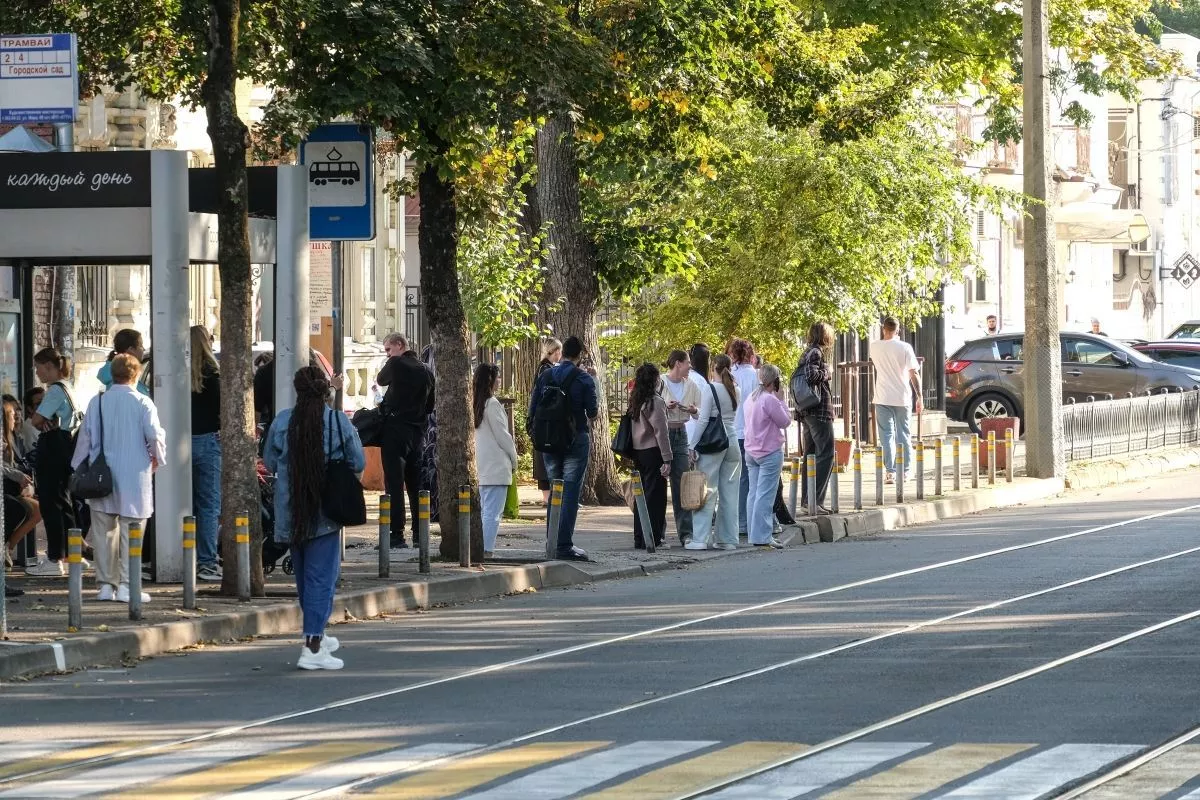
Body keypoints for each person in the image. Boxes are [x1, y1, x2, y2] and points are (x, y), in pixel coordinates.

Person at [263, 366, 364, 670]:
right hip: (324, 509)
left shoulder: (283, 421)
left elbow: (268, 461)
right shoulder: (336, 421)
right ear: (325, 391)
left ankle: (315, 632)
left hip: (290, 509)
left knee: (306, 578)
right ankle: (313, 646)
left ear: (296, 390)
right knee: (322, 578)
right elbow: (358, 460)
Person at [71, 354, 163, 604]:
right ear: (135, 374)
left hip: (101, 476)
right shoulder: (143, 402)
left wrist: (77, 467)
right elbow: (154, 436)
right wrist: (156, 459)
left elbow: (85, 439)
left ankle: (105, 585)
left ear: (113, 374)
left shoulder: (97, 402)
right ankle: (127, 584)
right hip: (134, 476)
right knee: (132, 532)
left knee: (103, 533)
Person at [528, 335, 597, 561]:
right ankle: (563, 545)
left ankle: (551, 541)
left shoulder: (546, 374)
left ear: (563, 352)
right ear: (580, 355)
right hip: (575, 438)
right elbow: (593, 412)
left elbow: (534, 406)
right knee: (569, 492)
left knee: (555, 490)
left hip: (549, 440)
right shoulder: (584, 378)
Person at [25, 348, 82, 576]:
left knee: (50, 503)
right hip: (66, 446)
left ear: (49, 366)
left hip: (53, 448)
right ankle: (71, 552)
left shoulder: (55, 391)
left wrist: (41, 421)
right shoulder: (69, 387)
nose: (38, 374)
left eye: (39, 368)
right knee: (64, 502)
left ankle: (53, 558)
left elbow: (37, 419)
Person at [376, 333, 434, 548]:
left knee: (394, 482)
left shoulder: (396, 363)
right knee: (415, 483)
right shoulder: (426, 371)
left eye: (388, 349)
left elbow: (381, 380)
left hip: (394, 430)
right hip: (417, 432)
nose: (387, 354)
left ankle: (396, 534)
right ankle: (419, 534)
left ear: (400, 345)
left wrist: (391, 361)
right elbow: (430, 406)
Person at [686, 354, 740, 551]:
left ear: (713, 368)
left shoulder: (710, 388)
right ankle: (727, 538)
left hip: (713, 444)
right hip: (732, 441)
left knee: (706, 489)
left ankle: (700, 538)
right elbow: (723, 417)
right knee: (730, 493)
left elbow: (704, 421)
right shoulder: (736, 389)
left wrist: (692, 445)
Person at [742, 363, 790, 548]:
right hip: (769, 452)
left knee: (753, 493)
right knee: (765, 495)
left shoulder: (750, 398)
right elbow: (784, 421)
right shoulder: (769, 400)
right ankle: (762, 536)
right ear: (775, 381)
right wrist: (782, 401)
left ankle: (754, 533)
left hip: (751, 451)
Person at [869, 316, 921, 485]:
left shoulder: (874, 347)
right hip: (902, 396)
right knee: (903, 434)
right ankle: (905, 471)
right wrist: (919, 396)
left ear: (883, 329)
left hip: (882, 396)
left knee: (886, 435)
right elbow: (914, 373)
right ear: (898, 330)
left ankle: (890, 472)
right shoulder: (905, 347)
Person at [656, 350, 700, 545]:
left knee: (682, 482)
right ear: (677, 363)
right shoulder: (661, 381)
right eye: (687, 363)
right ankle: (659, 532)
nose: (690, 366)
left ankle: (686, 534)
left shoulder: (690, 384)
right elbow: (651, 405)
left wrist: (692, 410)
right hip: (662, 433)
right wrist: (665, 406)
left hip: (680, 432)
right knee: (659, 483)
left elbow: (699, 410)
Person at [190, 325, 223, 582]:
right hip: (209, 440)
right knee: (209, 505)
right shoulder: (214, 373)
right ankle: (207, 562)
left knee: (181, 504)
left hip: (180, 442)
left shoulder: (177, 373)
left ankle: (176, 555)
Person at [473, 364, 517, 557]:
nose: (499, 381)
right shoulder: (491, 404)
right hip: (496, 466)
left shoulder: (475, 403)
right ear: (490, 381)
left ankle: (481, 547)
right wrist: (514, 459)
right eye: (497, 378)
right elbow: (503, 436)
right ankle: (487, 549)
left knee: (485, 511)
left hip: (482, 466)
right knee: (493, 513)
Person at [628, 363, 673, 549]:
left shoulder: (637, 400)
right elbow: (661, 432)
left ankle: (640, 535)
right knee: (656, 497)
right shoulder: (656, 401)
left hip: (638, 451)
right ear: (655, 380)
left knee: (642, 496)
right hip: (653, 451)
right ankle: (654, 536)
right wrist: (667, 457)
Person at [798, 323, 836, 512]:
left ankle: (808, 501)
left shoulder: (806, 352)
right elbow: (811, 376)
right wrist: (827, 372)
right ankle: (816, 500)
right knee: (826, 453)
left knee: (811, 455)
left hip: (807, 410)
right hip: (818, 410)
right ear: (825, 336)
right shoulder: (815, 352)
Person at [3, 396, 40, 576]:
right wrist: (19, 477)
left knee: (41, 509)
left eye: (18, 410)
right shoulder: (4, 439)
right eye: (12, 413)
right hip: (7, 490)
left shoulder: (16, 437)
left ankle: (8, 546)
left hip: (14, 488)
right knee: (17, 508)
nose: (16, 416)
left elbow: (22, 463)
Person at [728, 339, 760, 537]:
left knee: (736, 479)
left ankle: (738, 520)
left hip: (733, 430)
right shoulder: (755, 376)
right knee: (753, 479)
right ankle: (748, 521)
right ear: (751, 355)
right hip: (752, 432)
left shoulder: (730, 376)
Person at [532, 338, 562, 504]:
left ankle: (548, 496)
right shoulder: (546, 369)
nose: (560, 354)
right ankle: (547, 496)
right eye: (558, 350)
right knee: (546, 459)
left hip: (543, 419)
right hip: (545, 420)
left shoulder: (547, 368)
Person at [97, 329, 150, 396]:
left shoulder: (113, 382)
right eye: (141, 345)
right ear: (131, 350)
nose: (144, 349)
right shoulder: (129, 388)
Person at [18, 386, 43, 460]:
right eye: (39, 403)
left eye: (46, 401)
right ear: (30, 409)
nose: (45, 405)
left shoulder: (43, 425)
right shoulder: (29, 429)